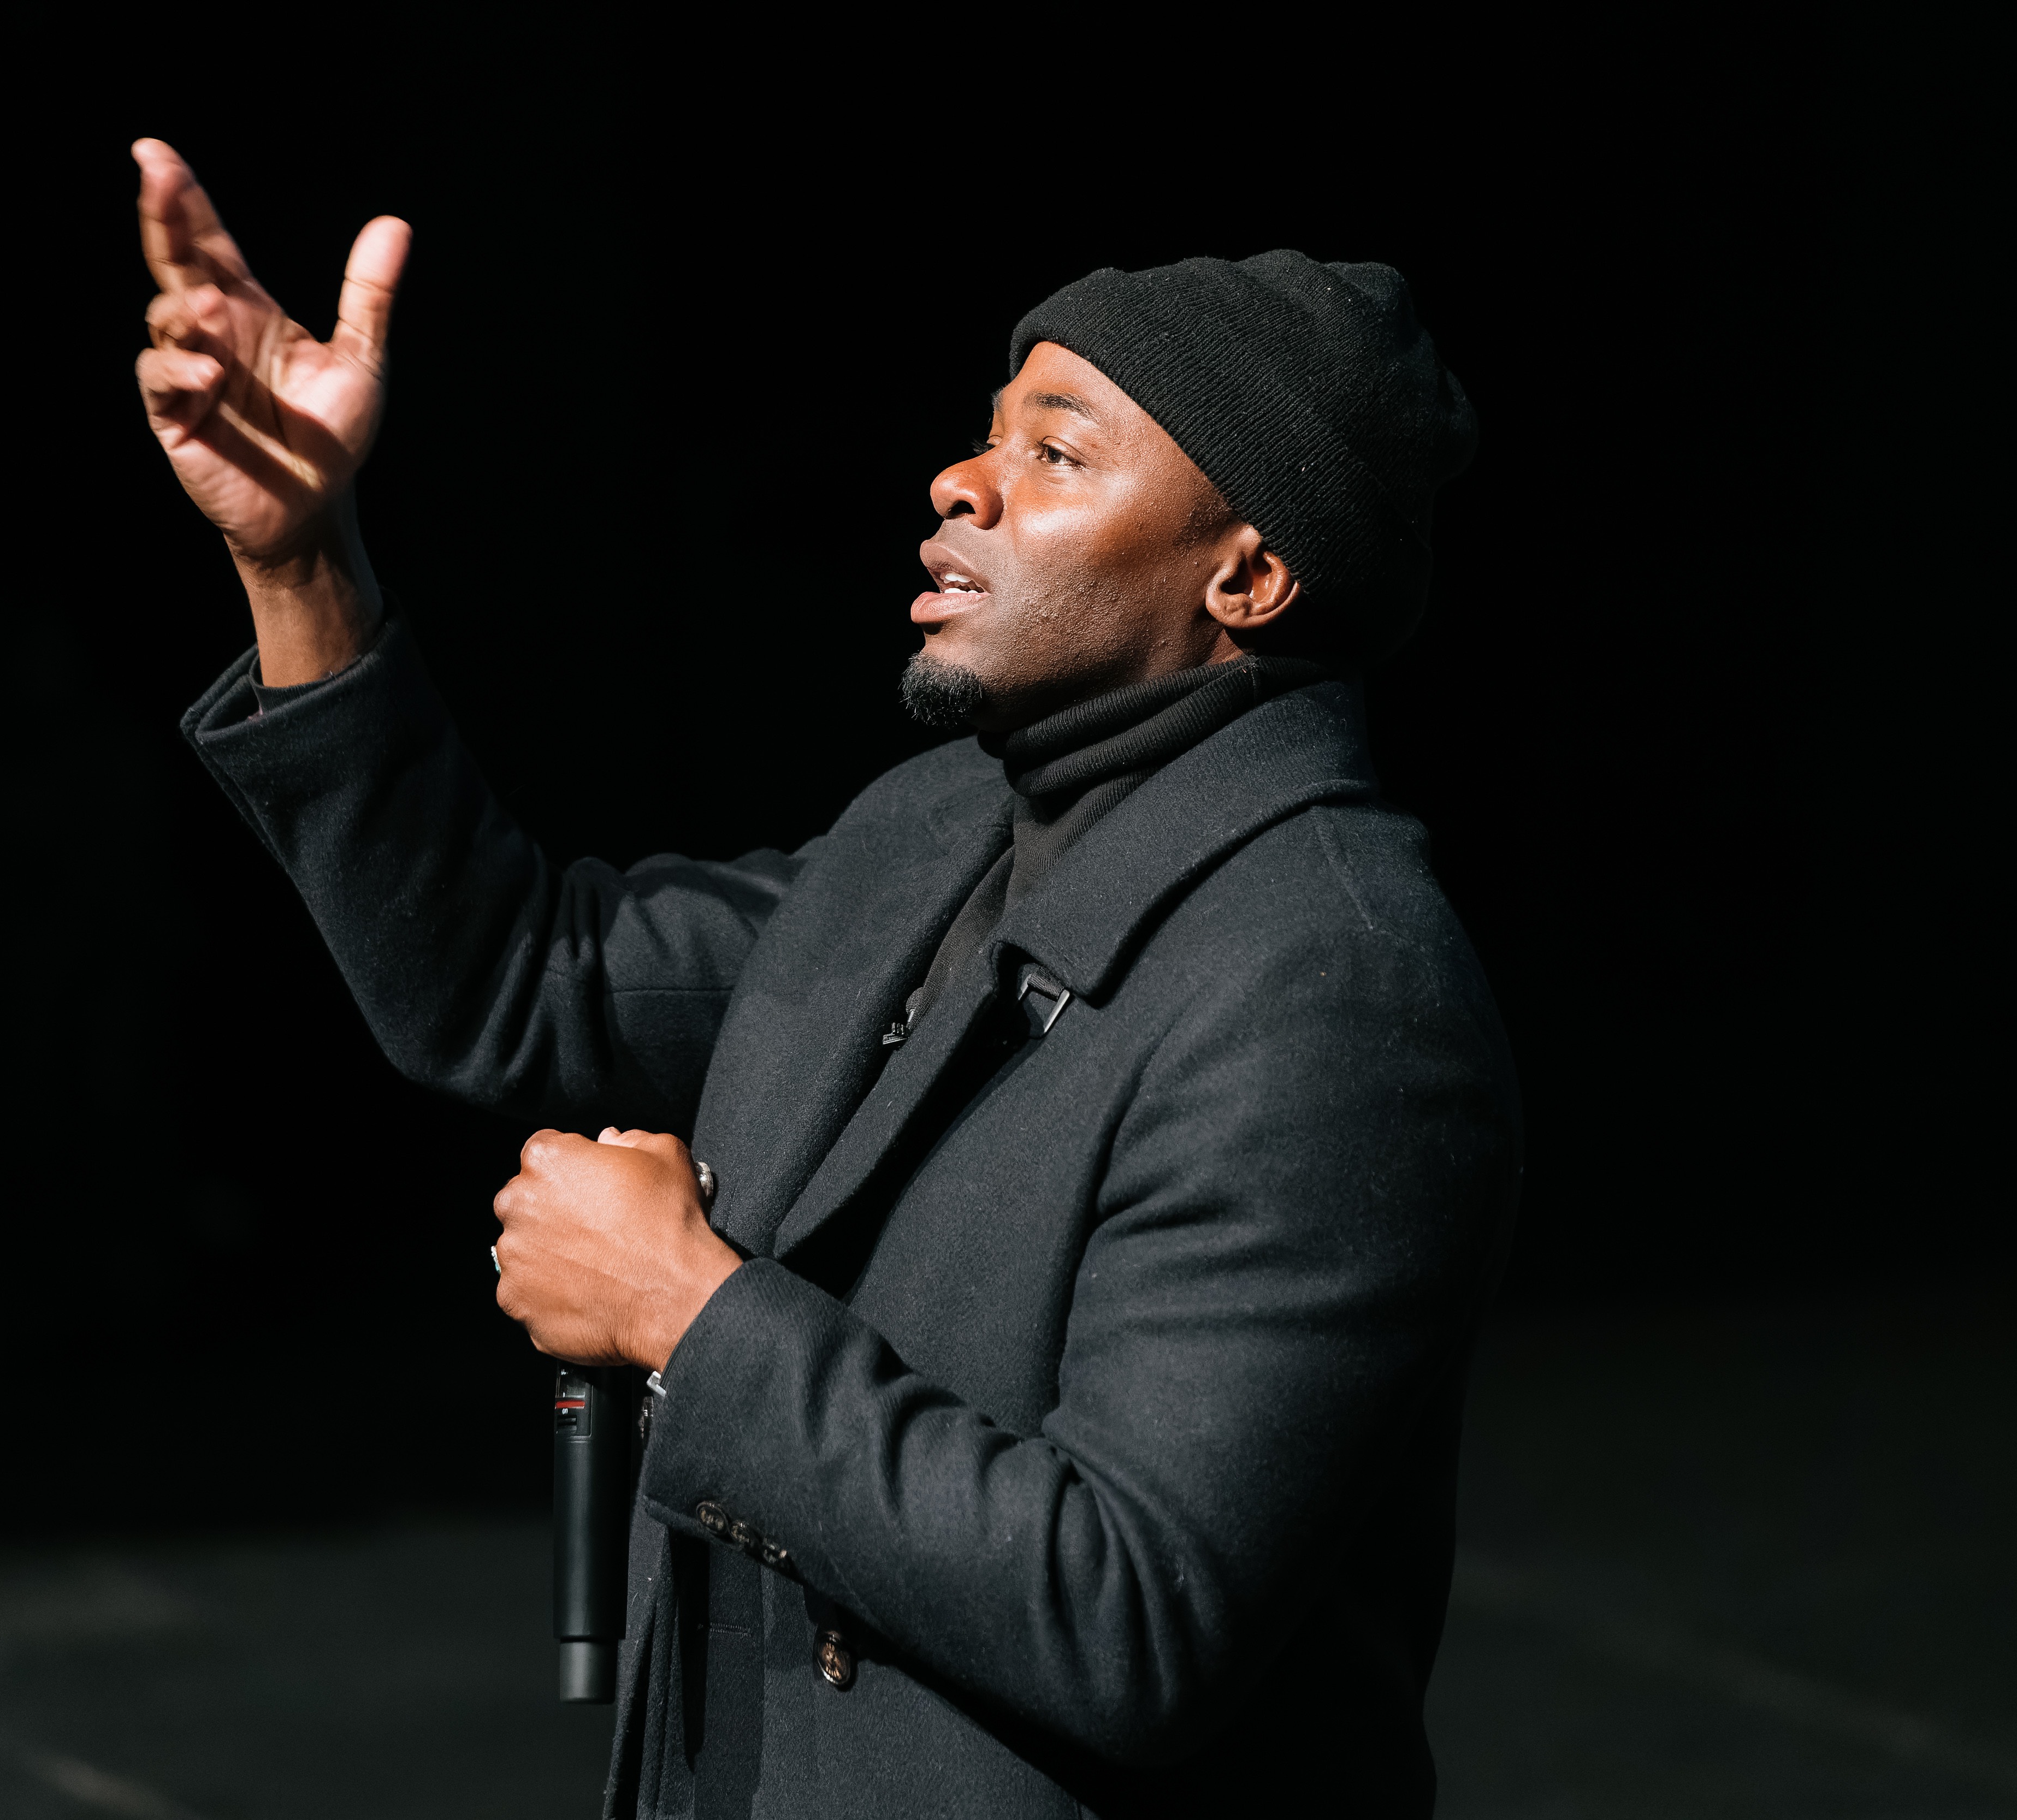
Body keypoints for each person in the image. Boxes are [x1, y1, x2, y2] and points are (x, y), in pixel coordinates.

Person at [134, 136, 1519, 1818]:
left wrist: (684, 1317)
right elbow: (516, 981)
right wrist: (301, 559)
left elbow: (1136, 1610)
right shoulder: (936, 835)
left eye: (1057, 451)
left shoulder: (1333, 986)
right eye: (987, 431)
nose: (961, 480)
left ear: (1248, 571)